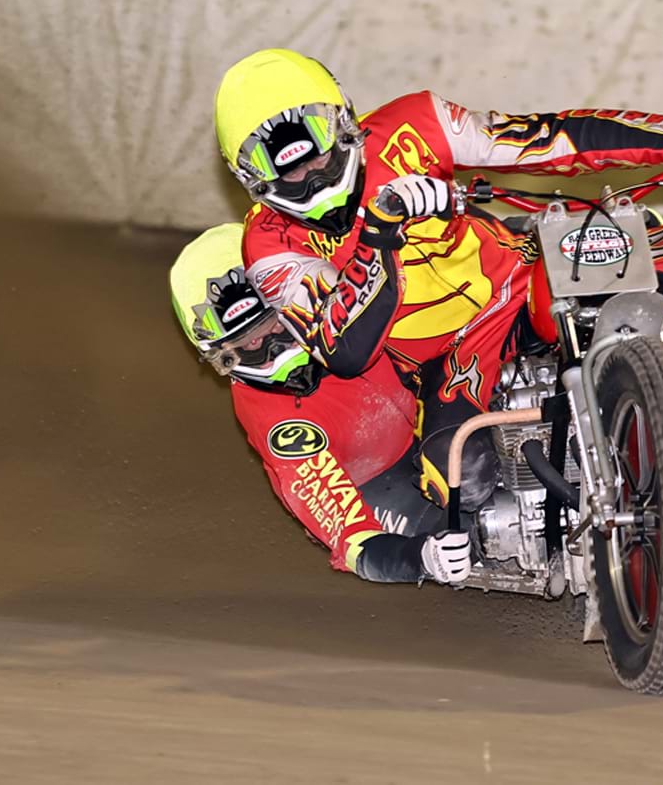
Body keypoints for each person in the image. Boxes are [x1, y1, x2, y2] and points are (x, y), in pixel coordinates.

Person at [213, 48, 663, 564]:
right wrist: (381, 233)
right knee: (460, 485)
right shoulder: (267, 247)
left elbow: (550, 139)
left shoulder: (414, 126)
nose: (309, 176)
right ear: (251, 179)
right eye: (285, 170)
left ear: (344, 122)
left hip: (524, 273)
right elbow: (346, 349)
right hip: (449, 362)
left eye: (315, 152)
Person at [169, 223, 473, 585]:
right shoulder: (279, 426)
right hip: (380, 483)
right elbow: (352, 537)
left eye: (277, 324)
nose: (273, 348)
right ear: (219, 354)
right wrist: (417, 558)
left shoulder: (348, 294)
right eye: (250, 344)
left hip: (430, 406)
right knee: (470, 523)